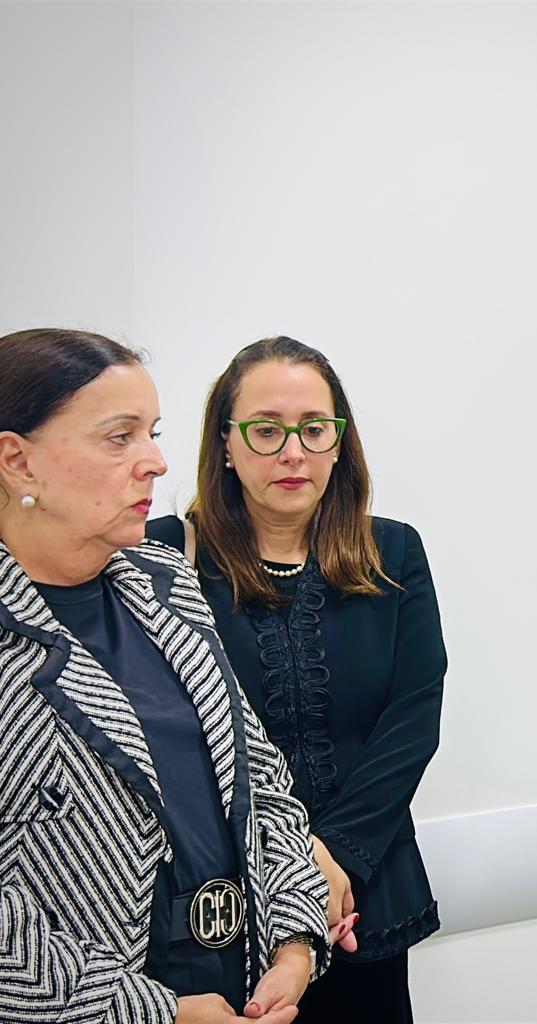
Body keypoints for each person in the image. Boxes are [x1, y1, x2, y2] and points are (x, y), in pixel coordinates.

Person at [0, 328, 329, 1023]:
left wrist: (295, 944)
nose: (154, 462)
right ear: (17, 462)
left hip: (243, 987)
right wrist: (155, 1011)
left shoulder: (164, 580)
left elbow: (260, 782)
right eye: (119, 438)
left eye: (151, 434)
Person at [148, 335, 445, 1024]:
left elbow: (413, 718)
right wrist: (290, 870)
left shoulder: (393, 551)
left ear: (340, 444)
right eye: (266, 430)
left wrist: (333, 857)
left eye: (314, 429)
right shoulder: (159, 557)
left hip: (363, 888)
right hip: (223, 904)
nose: (293, 452)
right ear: (226, 444)